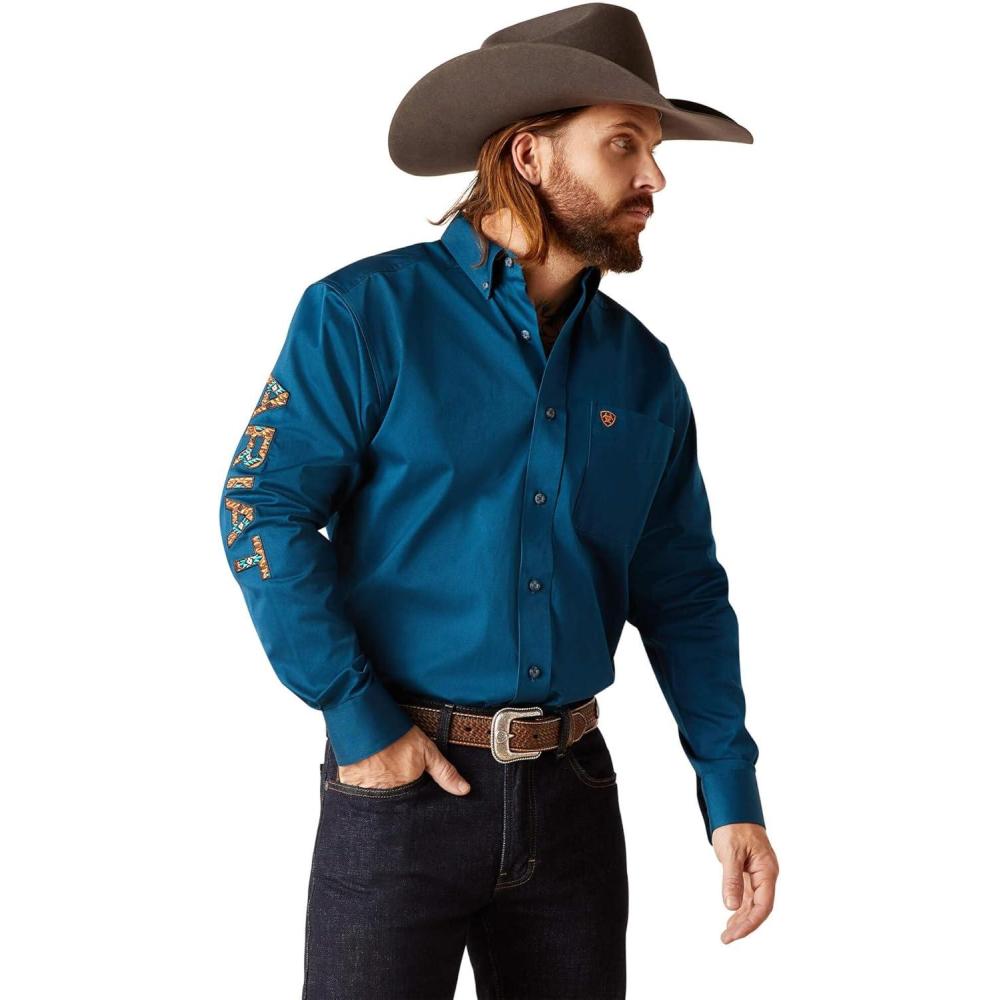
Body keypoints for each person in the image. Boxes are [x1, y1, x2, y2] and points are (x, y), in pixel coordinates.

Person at [219, 4, 779, 997]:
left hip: (574, 803)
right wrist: (359, 718)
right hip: (400, 793)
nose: (655, 178)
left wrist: (729, 788)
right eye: (625, 144)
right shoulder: (362, 316)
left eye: (653, 150)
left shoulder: (642, 371)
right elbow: (261, 509)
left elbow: (684, 591)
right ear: (529, 153)